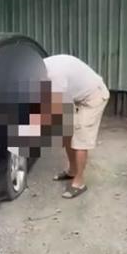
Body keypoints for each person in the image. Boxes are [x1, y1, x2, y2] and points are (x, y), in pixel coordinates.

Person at [40, 54, 110, 199]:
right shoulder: (40, 68)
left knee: (80, 138)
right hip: (75, 95)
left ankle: (79, 182)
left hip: (94, 97)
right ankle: (72, 171)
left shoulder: (55, 76)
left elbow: (58, 106)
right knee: (66, 133)